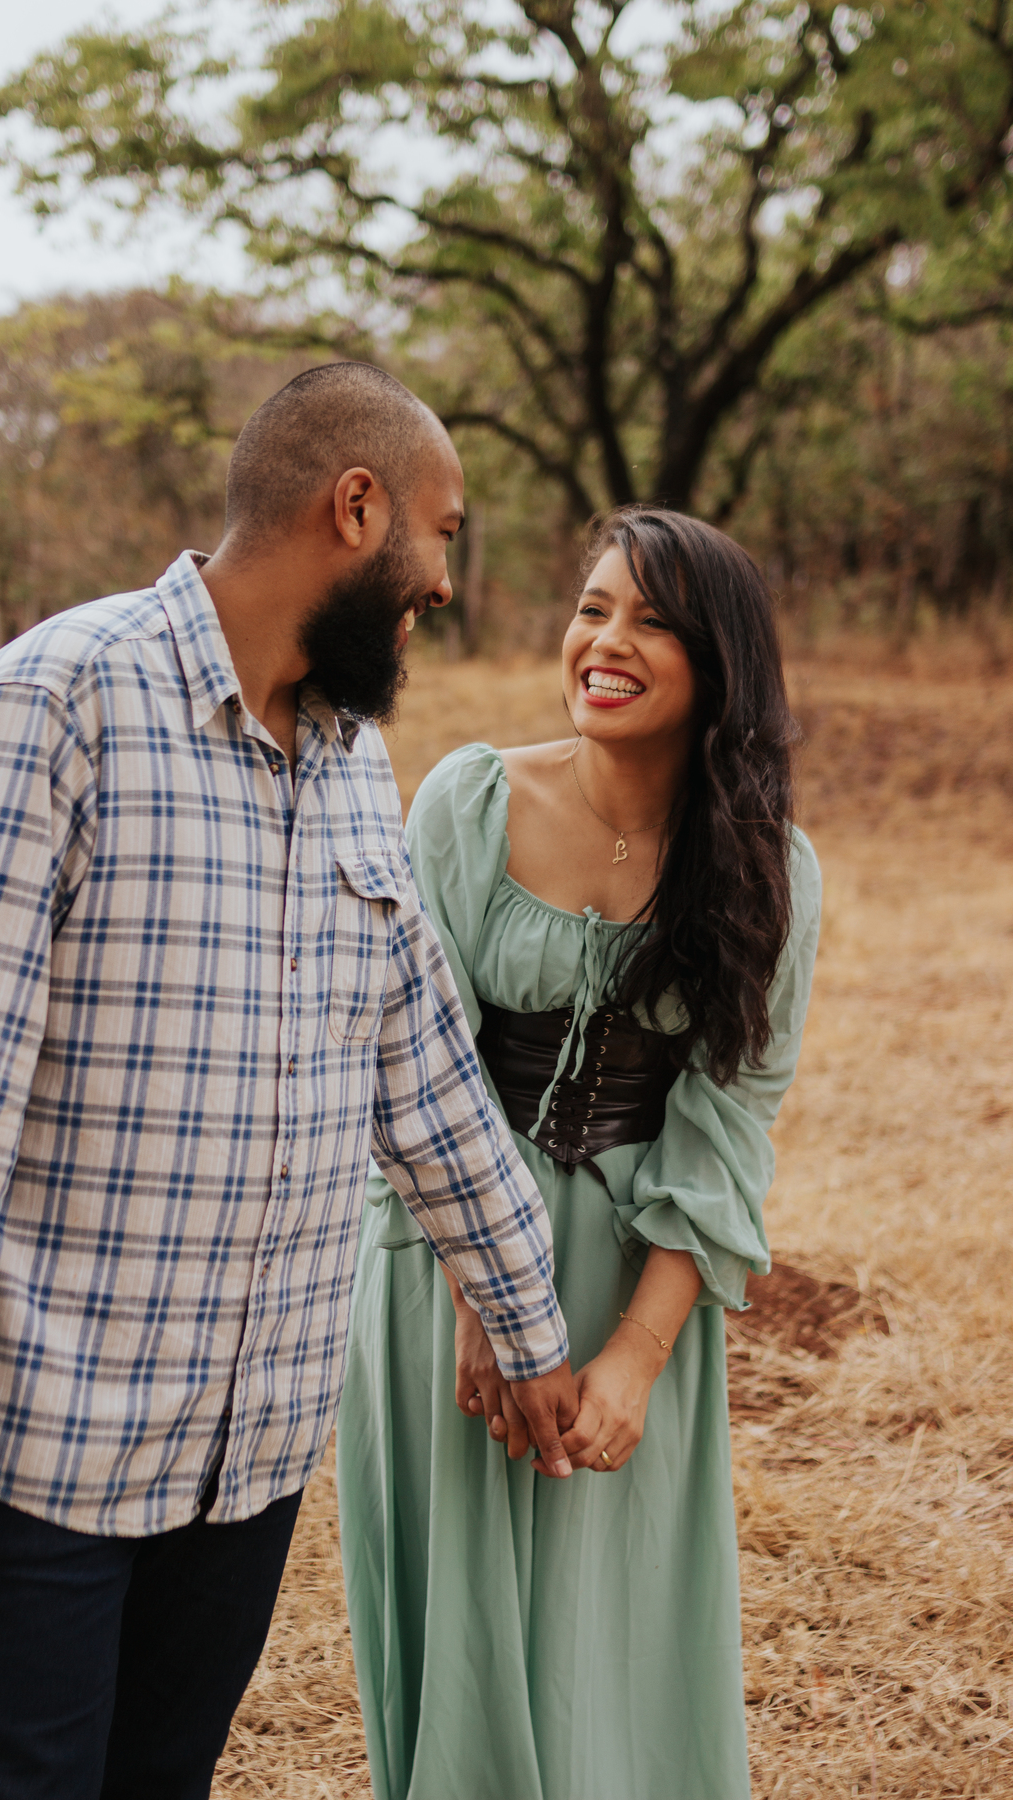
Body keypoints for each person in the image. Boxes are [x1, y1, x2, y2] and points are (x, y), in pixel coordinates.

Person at [0, 362, 583, 1800]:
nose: (444, 581)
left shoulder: (354, 755)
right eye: (441, 534)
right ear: (354, 508)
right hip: (47, 1458)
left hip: (247, 1458)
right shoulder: (54, 700)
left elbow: (422, 1065)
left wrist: (525, 1315)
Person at [337, 506, 822, 1800]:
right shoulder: (468, 800)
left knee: (612, 1643)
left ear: (720, 664)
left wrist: (632, 1362)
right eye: (594, 607)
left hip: (633, 1281)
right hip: (434, 1261)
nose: (605, 641)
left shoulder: (771, 871)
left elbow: (725, 1129)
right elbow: (410, 1063)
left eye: (653, 621)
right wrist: (485, 1301)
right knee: (465, 1640)